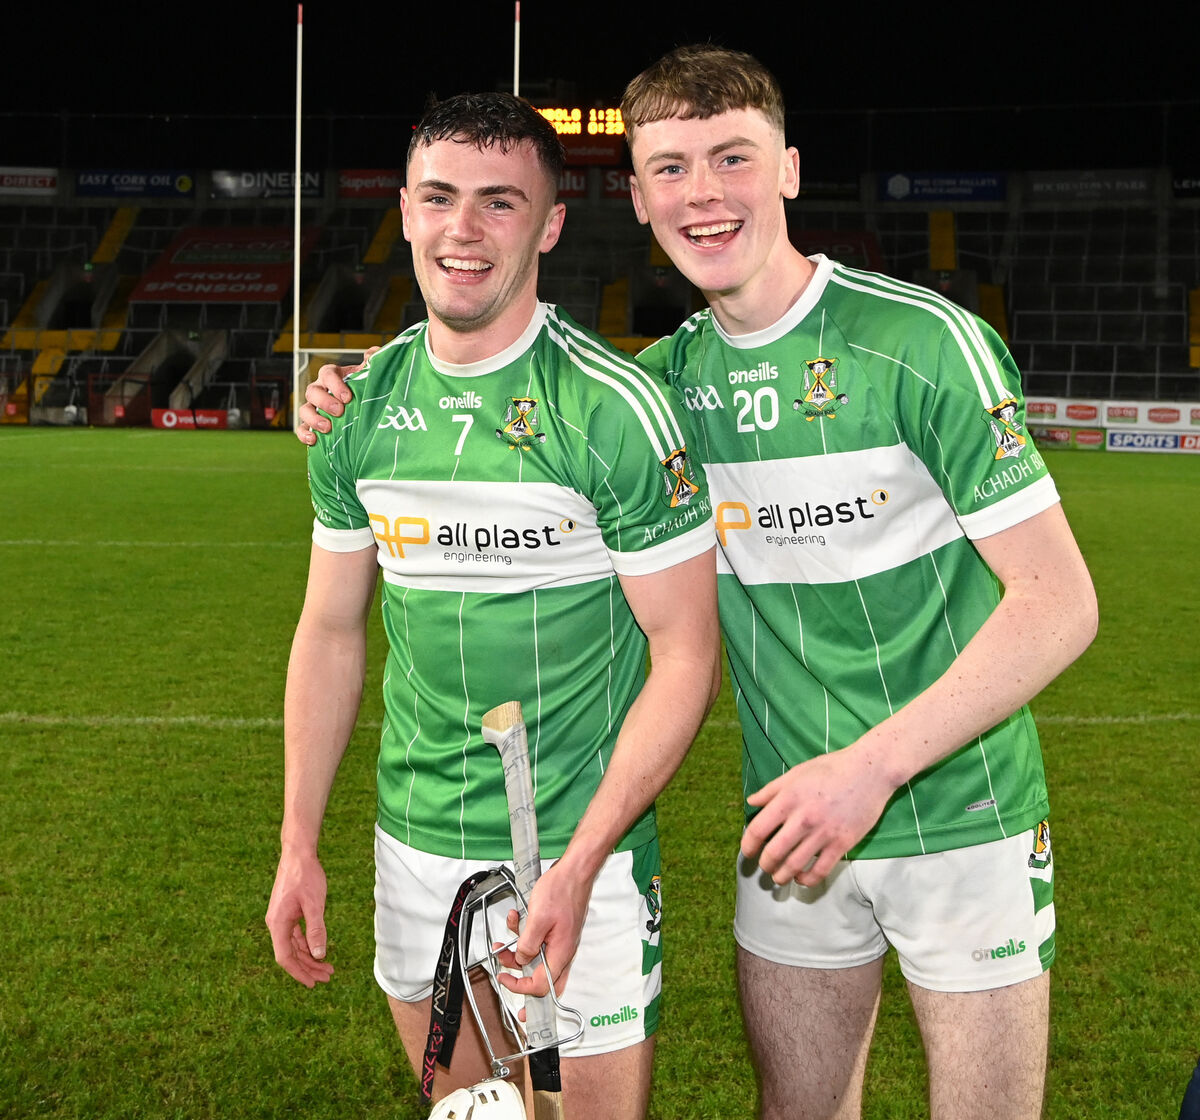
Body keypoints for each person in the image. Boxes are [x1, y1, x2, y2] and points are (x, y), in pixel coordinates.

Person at [298, 49, 1098, 1120]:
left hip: (963, 814)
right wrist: (345, 390)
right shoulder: (664, 388)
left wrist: (870, 768)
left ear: (791, 170)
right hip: (788, 836)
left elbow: (1060, 602)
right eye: (670, 168)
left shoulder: (923, 346)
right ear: (637, 199)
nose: (703, 194)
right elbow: (500, 402)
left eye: (733, 158)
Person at [267, 90, 720, 1120]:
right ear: (405, 212)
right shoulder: (357, 410)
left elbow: (687, 654)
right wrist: (299, 841)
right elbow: (330, 630)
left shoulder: (612, 410)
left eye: (499, 202)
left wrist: (583, 862)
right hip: (413, 846)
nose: (462, 229)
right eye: (438, 198)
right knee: (469, 1113)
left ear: (550, 224)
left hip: (576, 852)